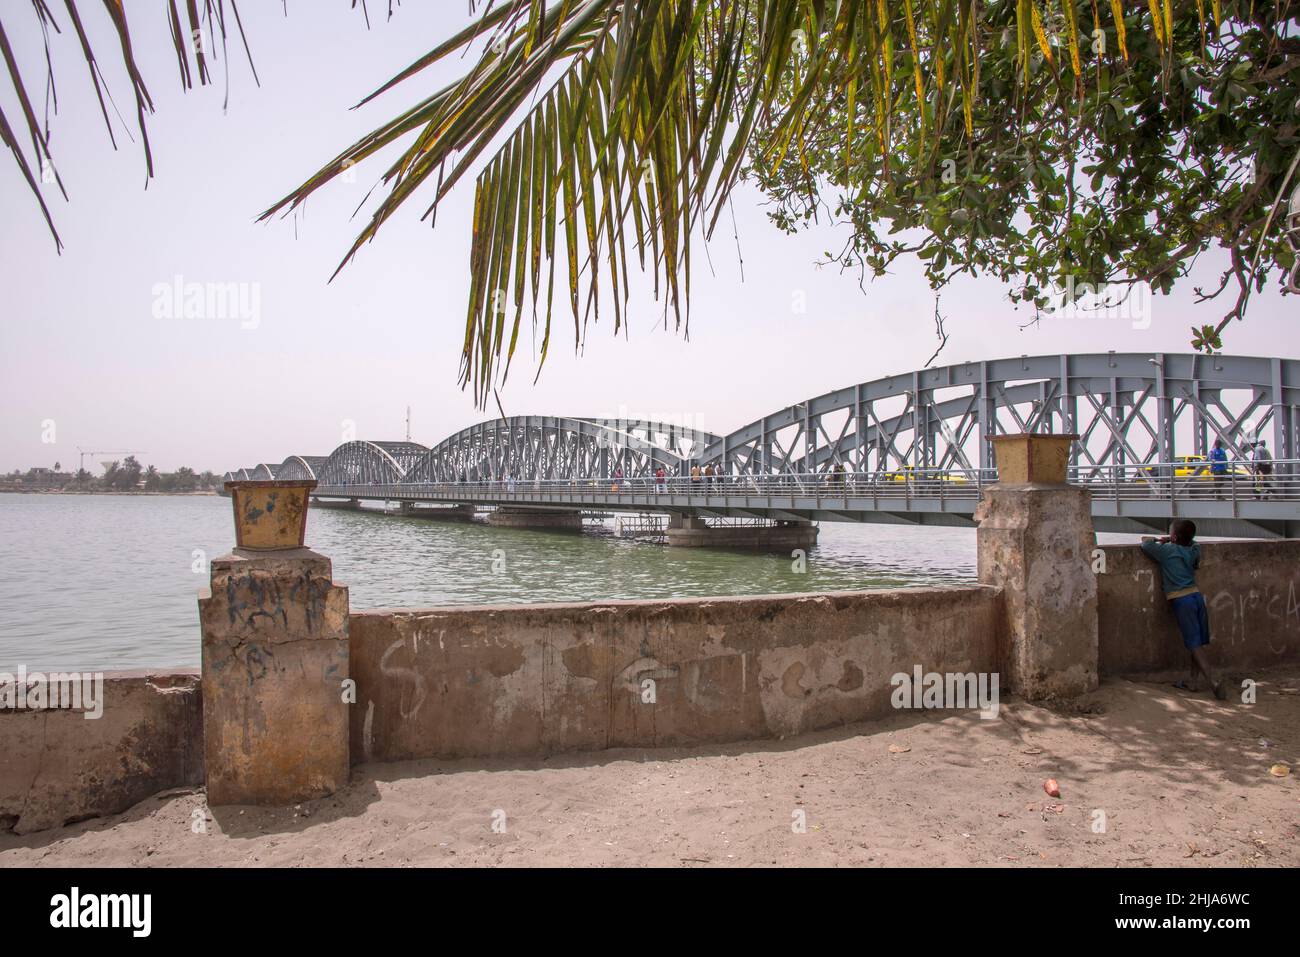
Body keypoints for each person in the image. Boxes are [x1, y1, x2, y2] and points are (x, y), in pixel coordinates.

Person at [1140, 519, 1227, 700]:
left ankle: (1212, 679)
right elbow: (1194, 544)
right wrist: (1179, 538)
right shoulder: (1194, 550)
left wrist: (1160, 540)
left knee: (1193, 643)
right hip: (1196, 596)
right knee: (1197, 642)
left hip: (1181, 599)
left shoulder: (1166, 551)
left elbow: (1145, 542)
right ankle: (1193, 682)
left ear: (1173, 536)